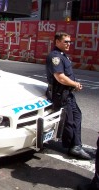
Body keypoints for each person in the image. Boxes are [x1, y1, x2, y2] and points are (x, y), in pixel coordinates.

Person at [46, 31, 91, 160]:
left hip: (67, 93)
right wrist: (75, 84)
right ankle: (74, 147)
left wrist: (73, 85)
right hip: (61, 94)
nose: (68, 44)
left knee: (77, 116)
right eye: (66, 41)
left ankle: (76, 145)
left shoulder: (62, 56)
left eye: (70, 41)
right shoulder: (55, 57)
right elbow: (60, 77)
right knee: (69, 121)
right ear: (57, 41)